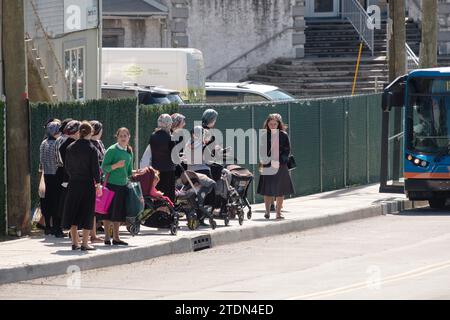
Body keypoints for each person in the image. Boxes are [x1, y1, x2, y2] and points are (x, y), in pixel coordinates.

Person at [62, 122, 102, 251]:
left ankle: (75, 242)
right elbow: (95, 169)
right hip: (87, 184)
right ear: (90, 133)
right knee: (87, 213)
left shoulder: (70, 147)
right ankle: (84, 243)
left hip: (73, 183)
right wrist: (98, 183)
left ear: (79, 132)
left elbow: (66, 167)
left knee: (73, 211)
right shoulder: (92, 149)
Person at [257, 114, 294, 220]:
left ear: (278, 124)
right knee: (267, 190)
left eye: (275, 124)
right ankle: (267, 212)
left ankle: (278, 213)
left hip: (280, 165)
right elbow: (261, 150)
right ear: (267, 124)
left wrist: (281, 160)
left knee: (280, 190)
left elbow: (287, 150)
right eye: (270, 124)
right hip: (268, 165)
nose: (272, 125)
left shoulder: (283, 135)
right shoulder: (264, 135)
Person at [101, 127, 134, 246]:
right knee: (108, 212)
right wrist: (116, 165)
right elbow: (104, 168)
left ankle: (116, 238)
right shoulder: (112, 150)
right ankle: (106, 237)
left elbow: (129, 171)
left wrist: (135, 174)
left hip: (123, 185)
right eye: (121, 136)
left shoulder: (129, 151)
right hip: (111, 185)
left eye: (125, 135)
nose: (123, 138)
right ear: (117, 137)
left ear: (129, 137)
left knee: (118, 213)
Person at [39, 120, 65, 237]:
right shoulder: (57, 143)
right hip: (56, 176)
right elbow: (60, 161)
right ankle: (56, 228)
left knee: (47, 202)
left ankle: (47, 227)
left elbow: (41, 161)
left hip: (47, 175)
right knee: (57, 202)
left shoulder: (43, 143)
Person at [56, 120, 81, 230]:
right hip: (69, 177)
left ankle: (66, 228)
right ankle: (67, 228)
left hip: (64, 176)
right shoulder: (70, 145)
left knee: (64, 203)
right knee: (67, 205)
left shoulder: (63, 142)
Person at [149, 114, 176, 201]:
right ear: (168, 124)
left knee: (158, 193)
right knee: (168, 194)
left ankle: (158, 211)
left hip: (156, 170)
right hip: (168, 169)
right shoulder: (170, 137)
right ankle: (168, 213)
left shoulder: (153, 136)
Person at [89, 120, 106, 243]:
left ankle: (97, 227)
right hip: (94, 178)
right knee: (93, 205)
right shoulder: (90, 144)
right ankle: (92, 232)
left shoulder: (99, 143)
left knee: (98, 204)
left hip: (100, 176)